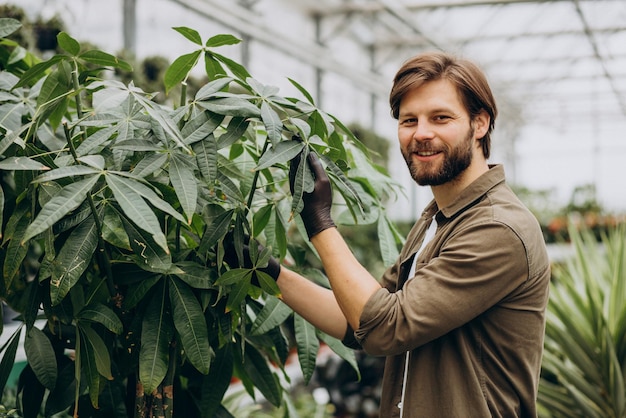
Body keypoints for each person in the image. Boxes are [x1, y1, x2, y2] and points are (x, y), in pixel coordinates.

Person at [235, 52, 551, 417]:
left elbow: (384, 327)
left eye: (441, 118)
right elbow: (355, 320)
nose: (421, 133)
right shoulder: (438, 217)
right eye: (408, 120)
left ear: (479, 124)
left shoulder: (497, 228)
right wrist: (267, 270)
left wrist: (319, 222)